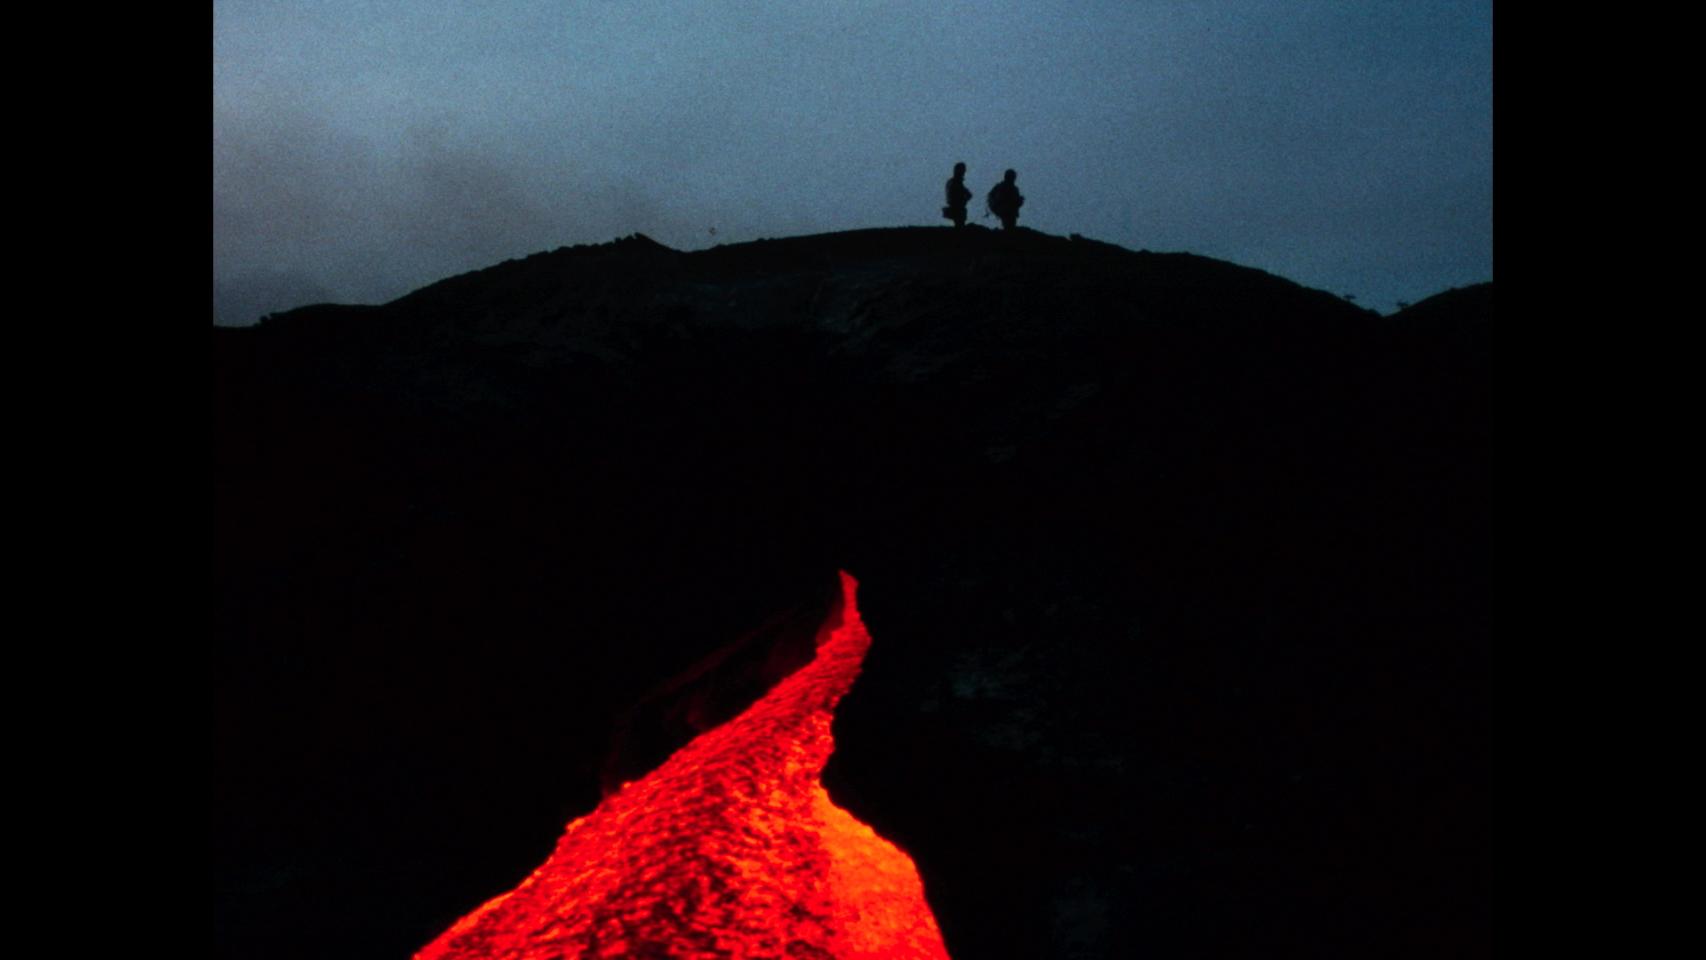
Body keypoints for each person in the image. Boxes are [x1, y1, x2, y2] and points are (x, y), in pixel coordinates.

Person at [942, 162, 973, 228]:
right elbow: (967, 194)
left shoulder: (952, 182)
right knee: (959, 225)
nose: (964, 173)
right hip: (957, 208)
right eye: (963, 171)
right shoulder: (955, 182)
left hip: (956, 207)